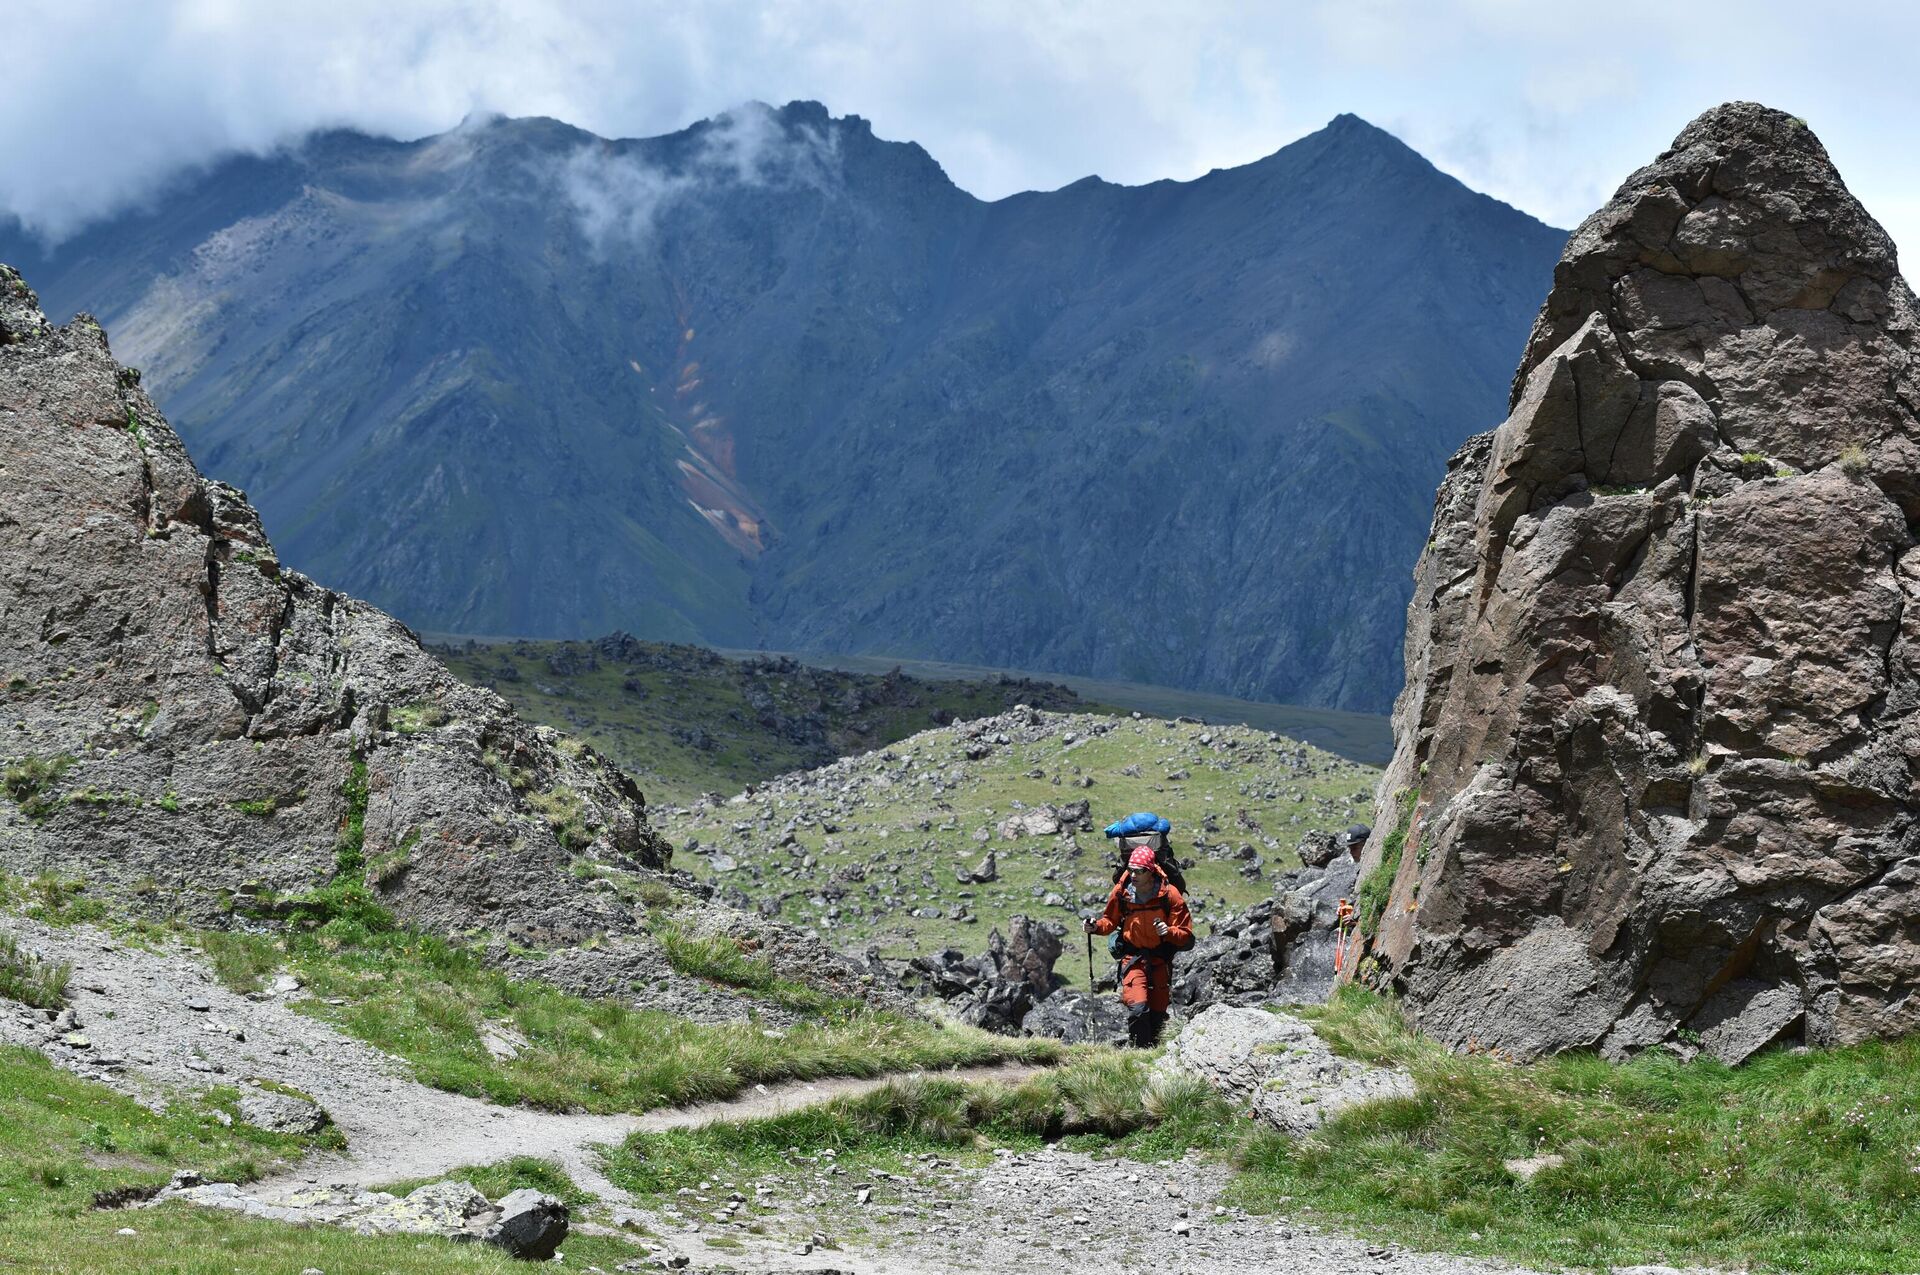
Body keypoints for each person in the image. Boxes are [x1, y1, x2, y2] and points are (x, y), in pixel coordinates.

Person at [1086, 846, 1193, 1047]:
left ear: (1150, 870)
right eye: (1131, 869)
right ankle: (1138, 1052)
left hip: (1160, 960)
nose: (1133, 874)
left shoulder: (1170, 894)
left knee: (1158, 1013)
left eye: (1139, 871)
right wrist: (1094, 927)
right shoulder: (1122, 891)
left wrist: (1168, 932)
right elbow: (1109, 920)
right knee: (1137, 1008)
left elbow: (1184, 934)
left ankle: (1155, 1052)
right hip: (1133, 958)